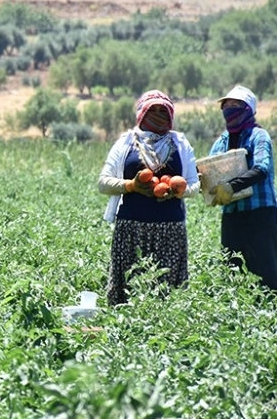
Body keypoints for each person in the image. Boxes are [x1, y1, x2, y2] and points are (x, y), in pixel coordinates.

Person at [98, 90, 201, 306]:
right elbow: (103, 183)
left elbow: (194, 183)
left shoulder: (180, 144)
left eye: (162, 110)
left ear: (171, 114)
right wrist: (131, 185)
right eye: (151, 109)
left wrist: (179, 190)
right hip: (130, 230)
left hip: (170, 231)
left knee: (168, 294)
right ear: (141, 112)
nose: (157, 114)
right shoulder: (125, 143)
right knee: (126, 292)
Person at [207, 85, 277, 290]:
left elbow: (262, 168)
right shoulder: (222, 141)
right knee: (231, 274)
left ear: (248, 109)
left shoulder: (258, 136)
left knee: (266, 275)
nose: (229, 109)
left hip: (260, 215)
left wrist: (231, 187)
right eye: (226, 105)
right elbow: (209, 169)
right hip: (232, 216)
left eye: (235, 105)